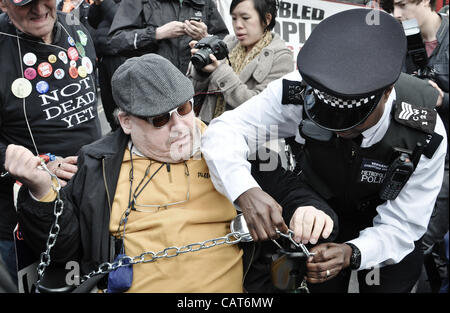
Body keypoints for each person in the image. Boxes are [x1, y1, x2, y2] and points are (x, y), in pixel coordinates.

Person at [5, 53, 337, 293]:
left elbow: (295, 192)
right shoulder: (96, 163)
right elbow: (62, 251)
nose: (181, 126)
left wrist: (309, 211)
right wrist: (41, 191)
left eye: (185, 108)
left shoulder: (229, 147)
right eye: (160, 120)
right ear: (126, 122)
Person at [201, 8, 447, 292]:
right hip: (318, 216)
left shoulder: (424, 132)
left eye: (351, 122)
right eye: (326, 118)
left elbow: (404, 224)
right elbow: (224, 130)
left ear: (387, 92)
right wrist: (244, 190)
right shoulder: (302, 87)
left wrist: (353, 252)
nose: (338, 129)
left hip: (389, 237)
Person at [0, 0, 101, 289]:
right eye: (25, 3)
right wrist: (39, 166)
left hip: (90, 204)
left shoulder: (75, 29)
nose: (39, 9)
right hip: (23, 224)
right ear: (4, 4)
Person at [388, 0, 449, 292]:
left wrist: (442, 100)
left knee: (423, 241)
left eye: (401, 5)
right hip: (410, 155)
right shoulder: (400, 40)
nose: (395, 14)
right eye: (391, 6)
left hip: (446, 164)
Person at [187, 0, 294, 124]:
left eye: (245, 18)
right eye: (234, 18)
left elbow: (261, 108)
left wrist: (219, 70)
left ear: (267, 19)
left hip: (248, 138)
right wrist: (201, 70)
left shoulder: (281, 58)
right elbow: (193, 92)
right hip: (208, 130)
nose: (238, 25)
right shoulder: (226, 44)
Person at [107, 0, 229, 75]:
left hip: (195, 91)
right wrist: (157, 33)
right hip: (150, 89)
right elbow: (116, 41)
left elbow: (224, 43)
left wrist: (205, 37)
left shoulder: (205, 2)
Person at [87, 0, 124, 131]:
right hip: (104, 56)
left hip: (121, 55)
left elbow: (121, 19)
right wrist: (96, 5)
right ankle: (115, 133)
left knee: (123, 104)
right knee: (108, 104)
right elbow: (92, 20)